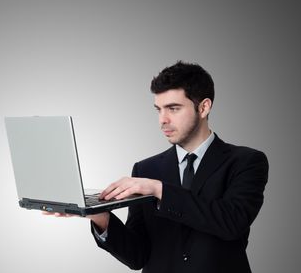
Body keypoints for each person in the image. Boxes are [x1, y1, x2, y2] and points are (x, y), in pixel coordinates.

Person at [45, 61, 269, 273]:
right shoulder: (146, 169)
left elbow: (231, 223)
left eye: (173, 108)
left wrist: (159, 190)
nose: (162, 119)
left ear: (204, 107)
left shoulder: (246, 161)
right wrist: (101, 217)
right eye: (158, 109)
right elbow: (137, 256)